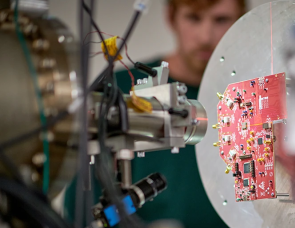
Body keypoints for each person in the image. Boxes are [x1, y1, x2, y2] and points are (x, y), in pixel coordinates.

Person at [64, 0, 246, 227]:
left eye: (221, 20)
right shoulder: (117, 94)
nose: (205, 37)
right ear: (171, 16)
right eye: (193, 18)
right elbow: (81, 212)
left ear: (240, 20)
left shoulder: (249, 99)